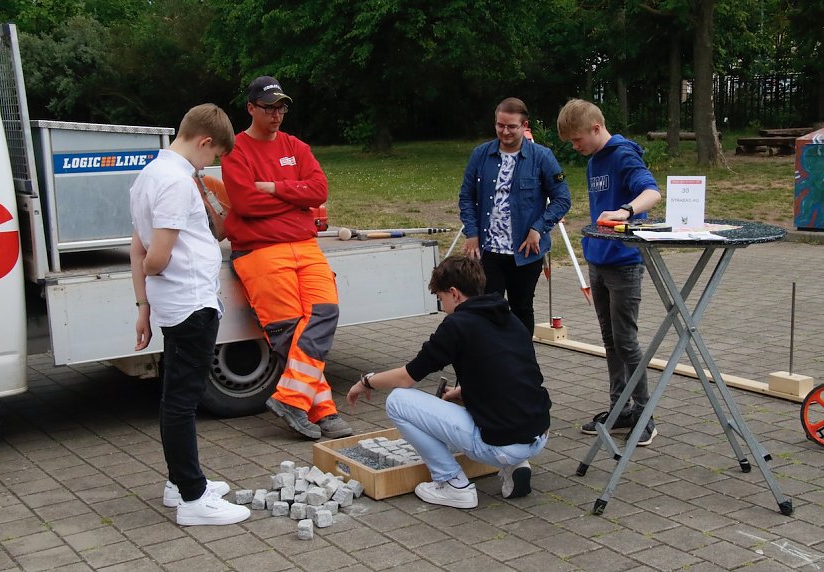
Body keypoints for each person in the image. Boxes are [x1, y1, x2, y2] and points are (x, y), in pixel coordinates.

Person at [346, 255, 551, 509]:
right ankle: (516, 463)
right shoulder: (508, 316)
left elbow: (406, 377)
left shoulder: (457, 324)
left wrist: (366, 381)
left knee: (398, 400)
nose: (442, 306)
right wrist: (463, 391)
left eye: (440, 298)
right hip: (538, 433)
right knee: (501, 416)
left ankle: (453, 484)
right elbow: (510, 373)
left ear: (454, 293)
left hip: (500, 443)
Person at [130, 103, 251, 526]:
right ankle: (194, 499)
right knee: (182, 400)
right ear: (203, 141)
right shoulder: (177, 183)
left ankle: (177, 482)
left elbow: (136, 245)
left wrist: (144, 304)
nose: (211, 164)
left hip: (175, 303)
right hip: (189, 304)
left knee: (175, 395)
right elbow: (155, 256)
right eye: (213, 155)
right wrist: (154, 278)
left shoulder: (148, 175)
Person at [221, 76, 352, 440]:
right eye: (268, 108)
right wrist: (296, 201)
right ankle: (324, 411)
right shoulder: (236, 150)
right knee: (291, 333)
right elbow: (246, 203)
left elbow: (320, 190)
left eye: (281, 107)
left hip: (305, 246)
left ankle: (292, 399)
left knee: (324, 315)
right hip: (260, 252)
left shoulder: (297, 145)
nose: (277, 114)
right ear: (250, 108)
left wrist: (275, 188)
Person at [556, 98, 662, 446]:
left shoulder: (623, 154)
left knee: (627, 341)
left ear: (596, 128)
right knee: (610, 341)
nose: (575, 147)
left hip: (625, 262)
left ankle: (645, 415)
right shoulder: (594, 160)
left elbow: (652, 191)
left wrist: (627, 210)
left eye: (577, 139)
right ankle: (620, 410)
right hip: (598, 260)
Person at [458, 97, 571, 334]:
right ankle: (492, 361)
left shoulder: (542, 157)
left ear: (524, 126)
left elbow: (562, 199)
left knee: (522, 307)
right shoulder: (480, 155)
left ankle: (521, 362)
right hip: (489, 250)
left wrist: (538, 228)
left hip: (525, 251)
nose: (505, 132)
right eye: (500, 125)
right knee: (488, 308)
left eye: (512, 126)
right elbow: (467, 197)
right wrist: (472, 232)